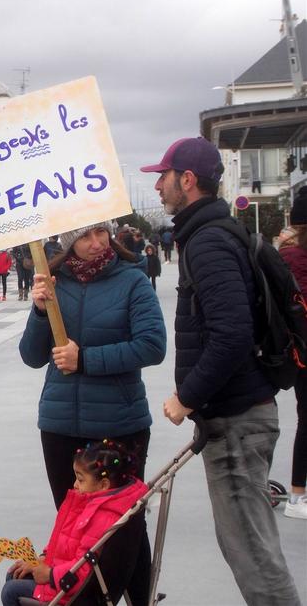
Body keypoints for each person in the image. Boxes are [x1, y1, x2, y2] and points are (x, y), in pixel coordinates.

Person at [141, 136, 301, 606]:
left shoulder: (208, 241)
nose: (158, 188)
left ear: (187, 180)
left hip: (236, 420)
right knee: (250, 545)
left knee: (252, 552)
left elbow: (231, 335)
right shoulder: (212, 232)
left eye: (163, 178)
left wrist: (186, 397)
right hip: (239, 415)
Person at [19, 221, 166, 605]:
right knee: (71, 525)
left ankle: (139, 599)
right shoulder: (52, 282)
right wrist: (38, 310)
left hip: (119, 423)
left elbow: (152, 346)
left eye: (101, 233)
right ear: (68, 241)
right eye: (84, 236)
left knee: (125, 527)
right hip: (60, 423)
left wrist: (86, 360)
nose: (96, 243)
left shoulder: (132, 280)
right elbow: (32, 356)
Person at [0, 440, 148, 606]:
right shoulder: (92, 503)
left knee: (11, 592)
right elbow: (65, 540)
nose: (75, 484)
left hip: (72, 589)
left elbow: (85, 569)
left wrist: (50, 574)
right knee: (14, 574)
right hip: (64, 574)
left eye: (80, 479)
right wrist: (43, 559)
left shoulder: (103, 517)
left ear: (103, 485)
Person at [278, 187, 307, 520]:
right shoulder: (296, 259)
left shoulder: (285, 255)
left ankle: (298, 492)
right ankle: (297, 494)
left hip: (296, 352)